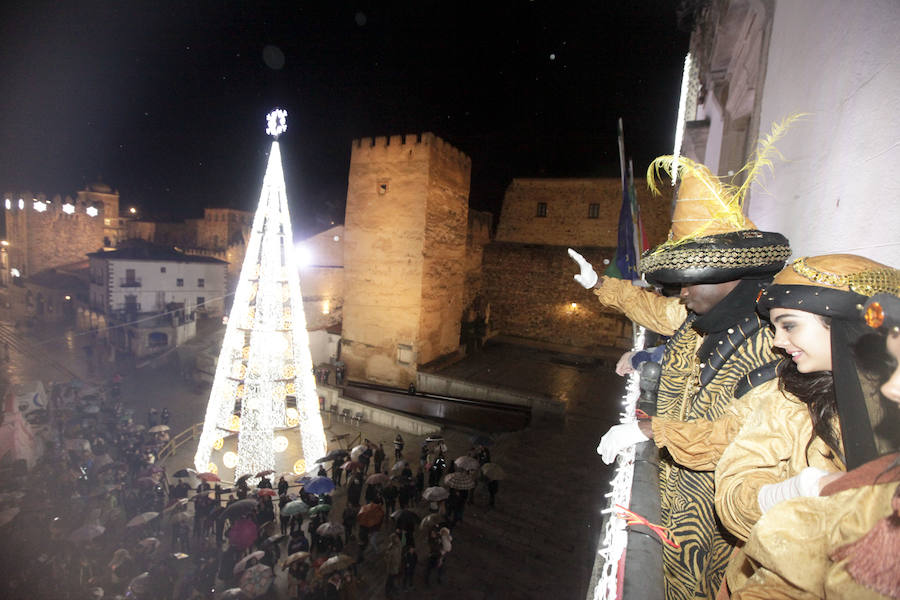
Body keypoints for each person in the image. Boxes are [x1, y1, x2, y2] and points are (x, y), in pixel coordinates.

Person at [570, 146, 793, 599]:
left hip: (712, 528)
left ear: (730, 277)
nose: (682, 293)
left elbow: (741, 438)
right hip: (671, 502)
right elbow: (649, 307)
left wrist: (653, 430)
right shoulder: (698, 319)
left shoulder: (773, 347)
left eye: (690, 280)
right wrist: (599, 284)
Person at [719, 265, 900, 599]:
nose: (777, 342)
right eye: (775, 328)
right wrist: (800, 489)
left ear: (843, 323)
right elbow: (735, 495)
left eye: (789, 325)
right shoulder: (789, 397)